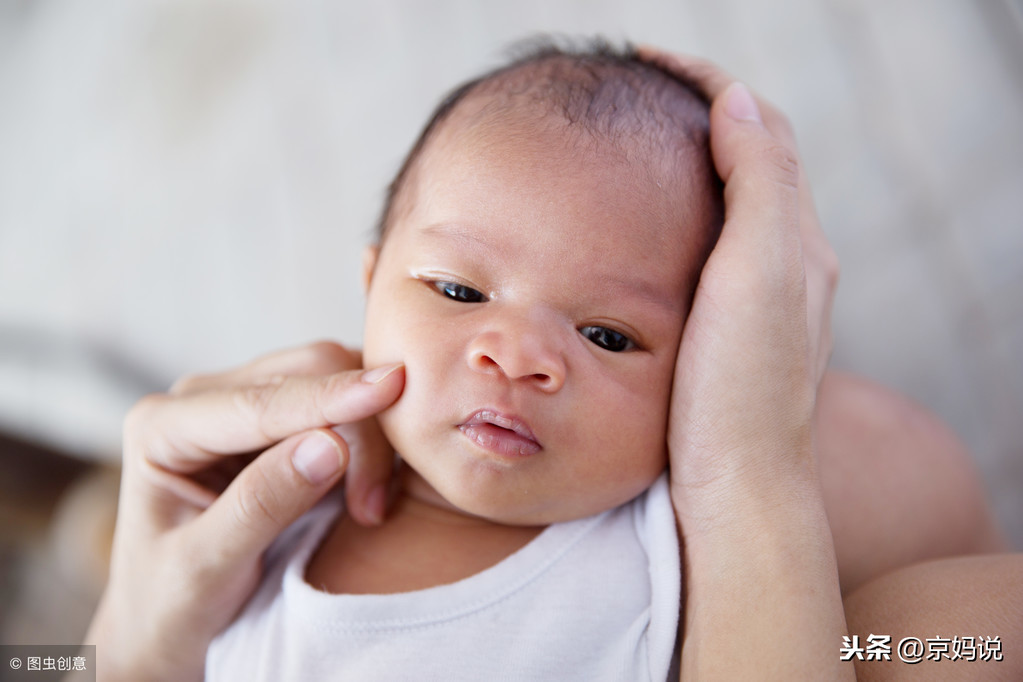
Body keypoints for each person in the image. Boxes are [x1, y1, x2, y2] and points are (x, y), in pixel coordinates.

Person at [84, 41, 1019, 681]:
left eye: (609, 335)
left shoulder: (686, 543)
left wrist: (751, 451)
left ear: (706, 364)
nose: (517, 355)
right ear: (368, 290)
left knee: (958, 631)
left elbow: (924, 492)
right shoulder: (249, 531)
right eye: (457, 291)